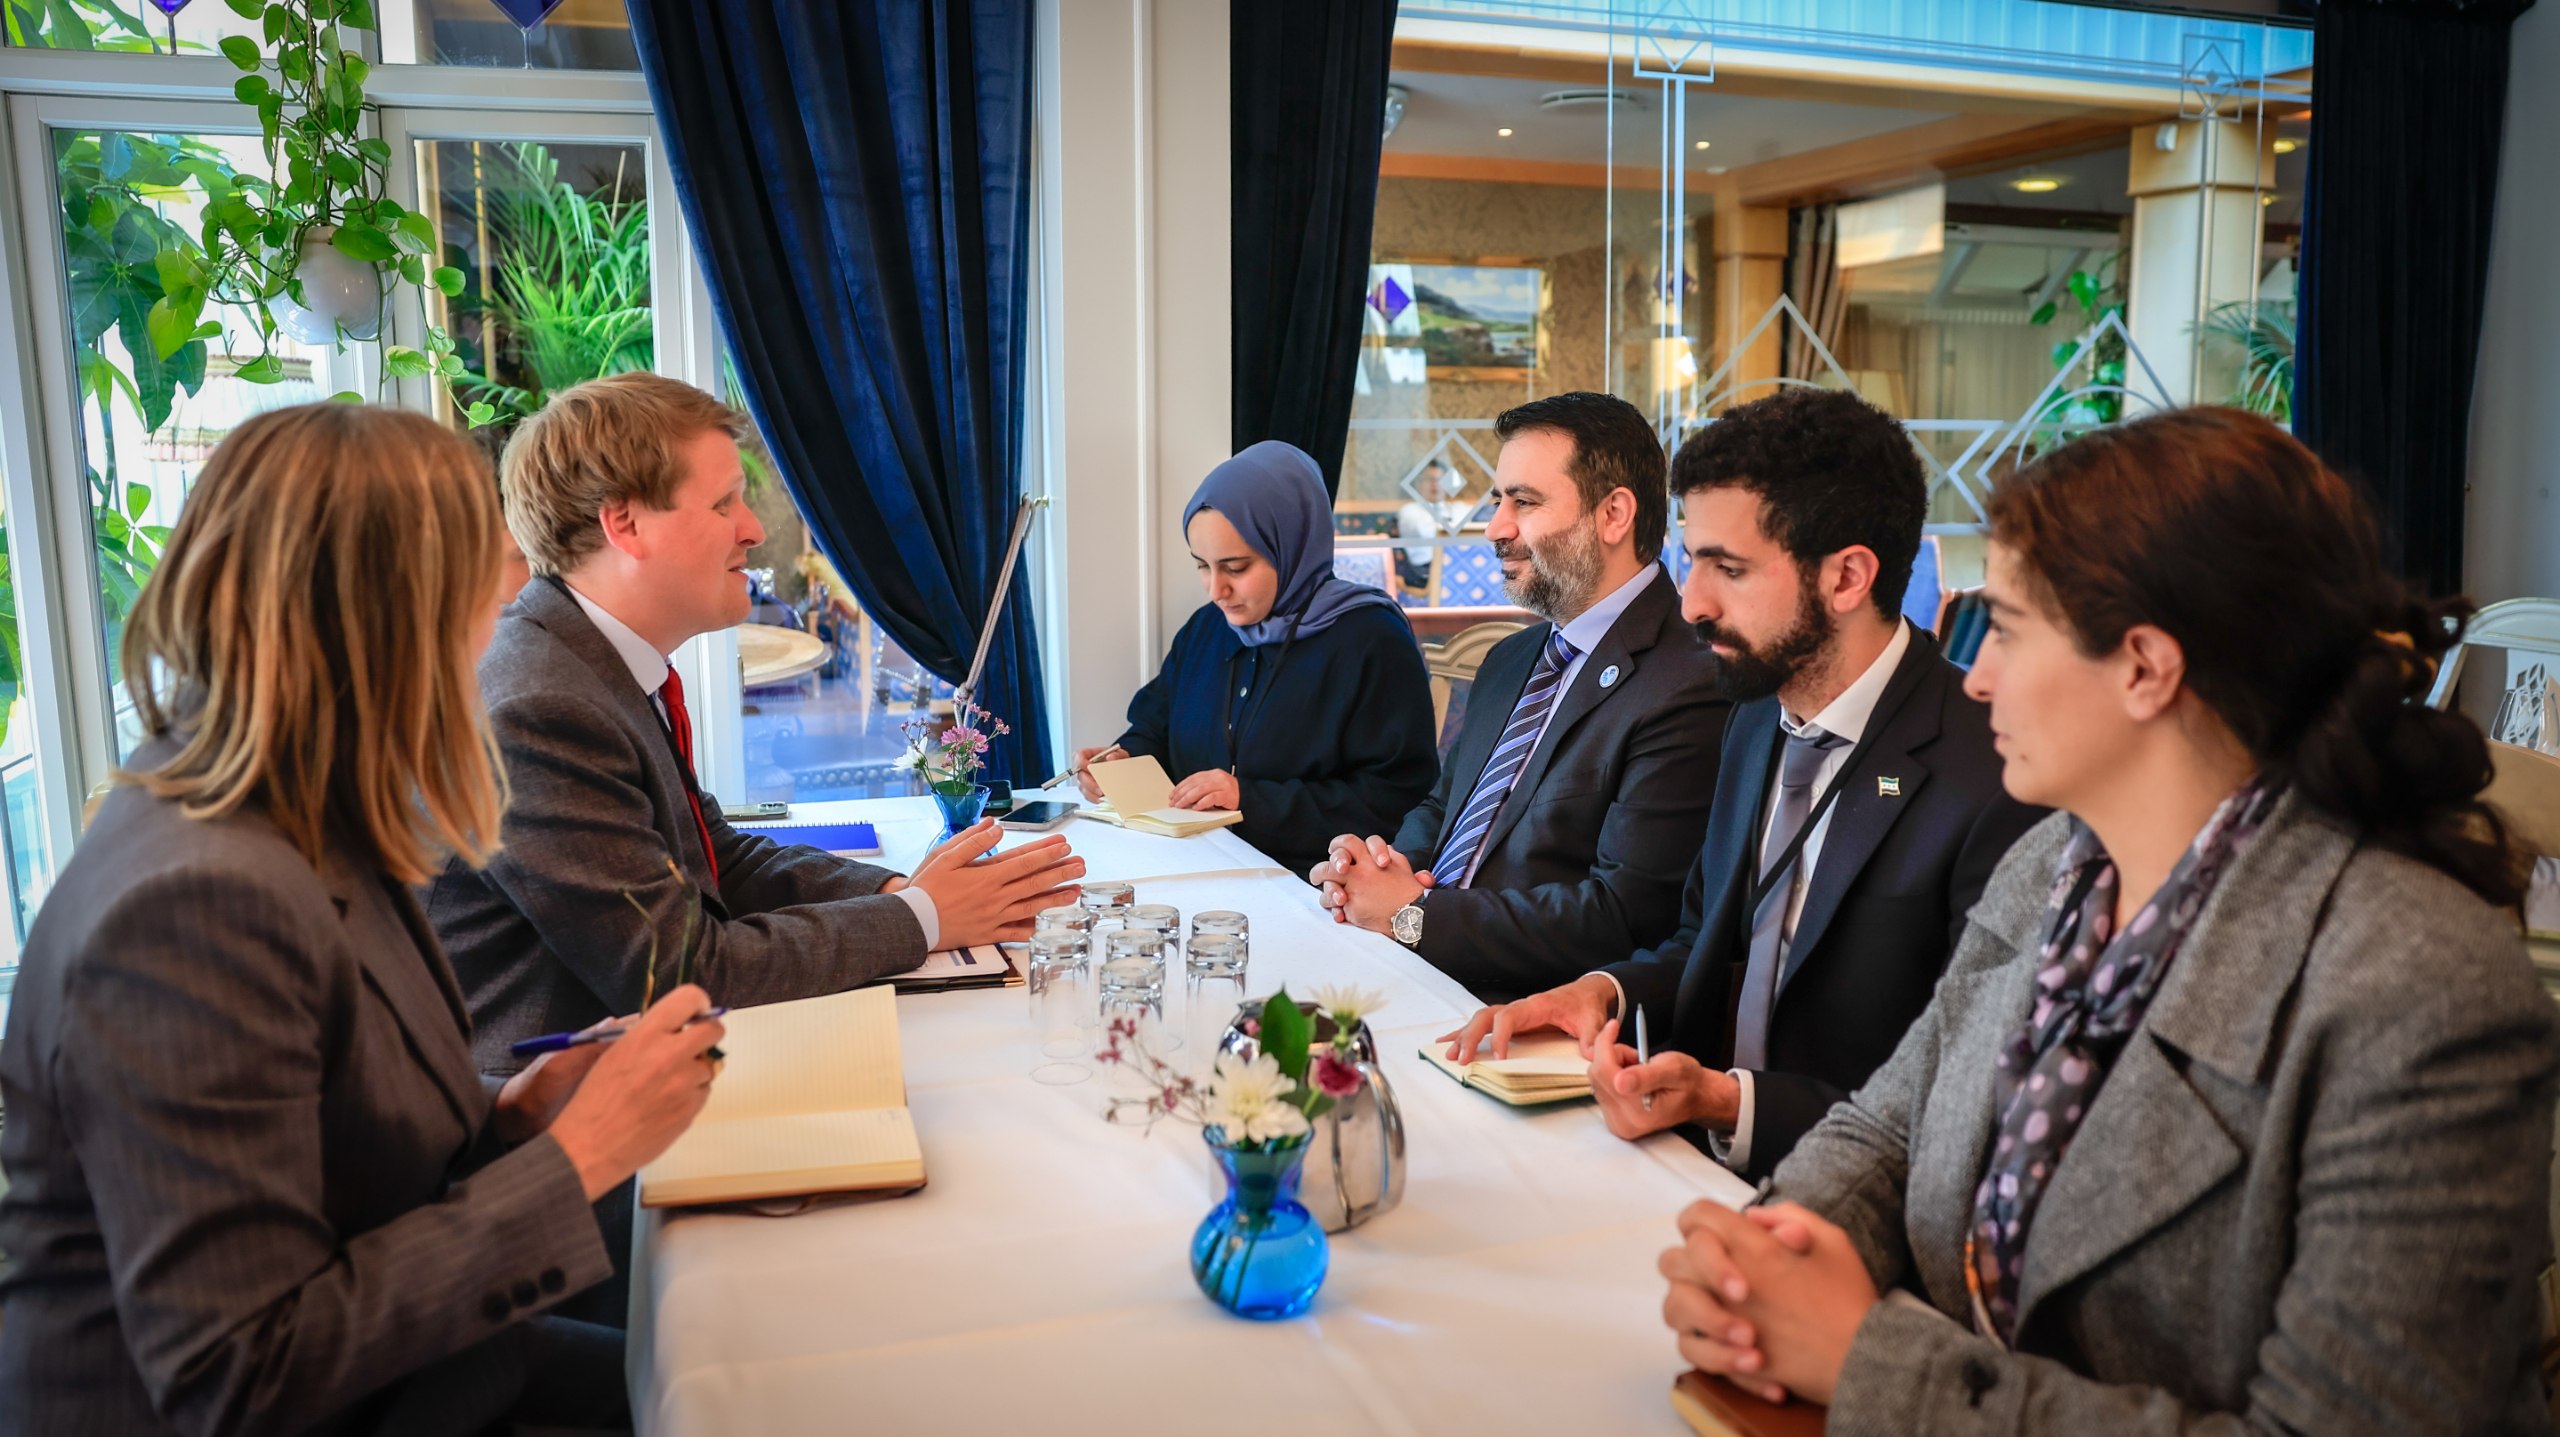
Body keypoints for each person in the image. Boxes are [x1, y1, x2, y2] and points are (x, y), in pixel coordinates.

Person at [1657, 408, 2559, 1433]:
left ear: (2143, 667)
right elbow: (1888, 1127)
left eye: (2003, 627)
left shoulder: (2420, 988)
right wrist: (1768, 1259)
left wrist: (1872, 1362)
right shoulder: (2059, 863)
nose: (1979, 675)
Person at [0, 404, 725, 1435]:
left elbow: (323, 1118)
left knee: (748, 1375)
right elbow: (240, 1374)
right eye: (480, 598)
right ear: (384, 625)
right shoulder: (193, 906)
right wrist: (581, 1160)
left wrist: (513, 1112)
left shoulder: (293, 809)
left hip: (414, 1372)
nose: (509, 610)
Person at [1441, 388, 2041, 1177]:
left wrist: (1733, 1102)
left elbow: (1961, 1094)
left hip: (1850, 1201)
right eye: (1693, 561)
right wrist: (1602, 993)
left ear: (1848, 577)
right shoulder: (1755, 713)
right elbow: (1704, 941)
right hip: (1687, 1158)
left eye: (1728, 569)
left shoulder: (1993, 777)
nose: (1691, 603)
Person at [432, 373, 1086, 1070]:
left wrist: (898, 892)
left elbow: (721, 860)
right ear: (623, 524)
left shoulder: (583, 662)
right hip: (542, 1125)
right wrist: (922, 917)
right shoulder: (541, 706)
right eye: (724, 504)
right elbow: (685, 972)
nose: (755, 529)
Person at [1312, 391, 1727, 1003]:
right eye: (1498, 500)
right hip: (1414, 968)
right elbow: (1441, 804)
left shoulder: (1690, 681)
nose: (1496, 527)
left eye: (1524, 502)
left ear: (1614, 514)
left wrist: (1416, 914)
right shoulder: (1512, 658)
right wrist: (1379, 869)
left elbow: (1623, 917)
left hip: (1531, 1013)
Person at [1073, 440, 1437, 879]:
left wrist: (1248, 799)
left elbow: (1398, 799)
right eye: (1202, 566)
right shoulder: (1208, 628)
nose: (1215, 590)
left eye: (1236, 567)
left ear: (1292, 546)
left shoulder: (1370, 640)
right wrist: (1124, 760)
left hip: (1313, 886)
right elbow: (1156, 727)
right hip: (1192, 868)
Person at [1394, 459, 1465, 589]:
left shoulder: (1459, 508)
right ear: (1419, 484)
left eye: (1440, 479)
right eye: (1429, 479)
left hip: (1457, 566)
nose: (1435, 484)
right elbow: (1430, 533)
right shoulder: (1409, 510)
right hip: (1423, 572)